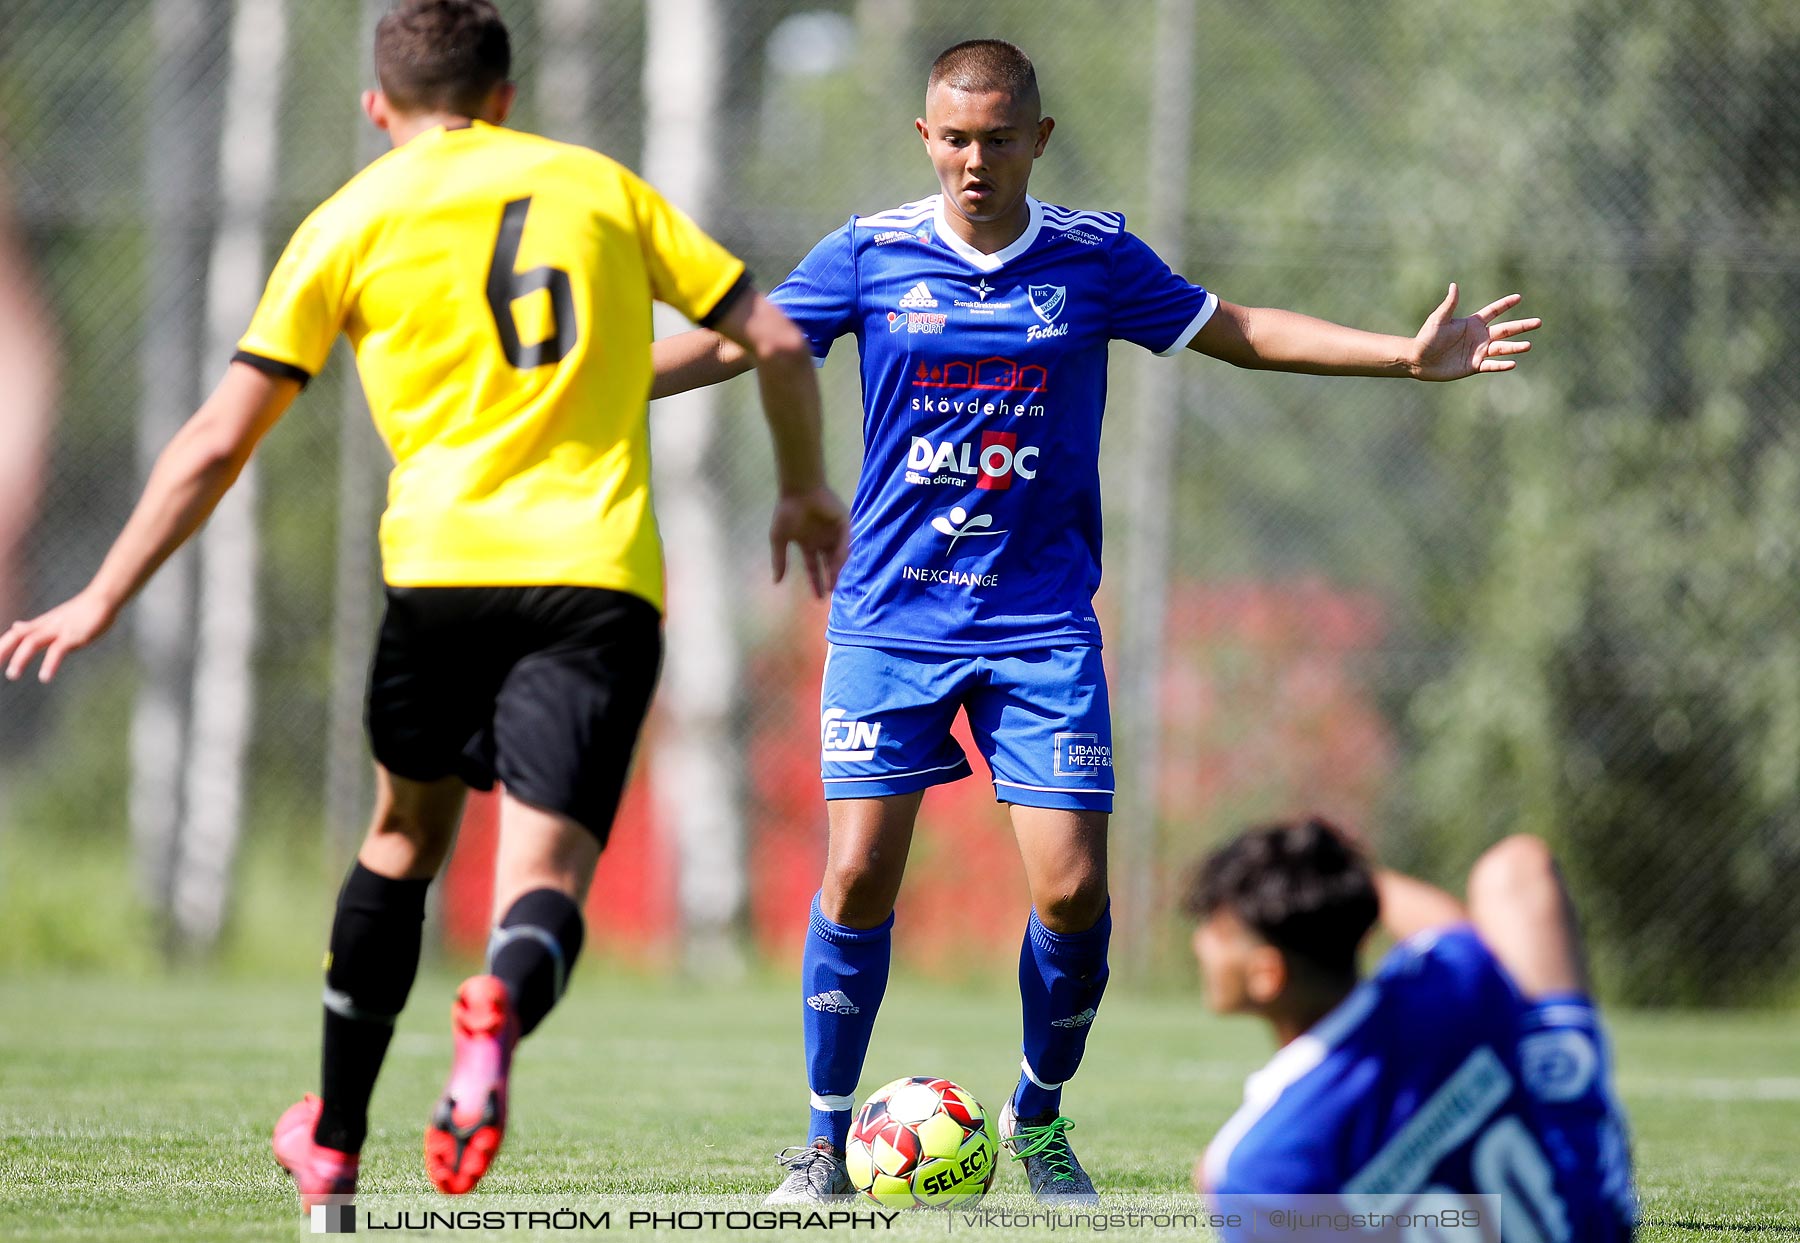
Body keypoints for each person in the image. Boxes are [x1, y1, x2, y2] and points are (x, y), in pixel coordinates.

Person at [650, 37, 1540, 1203]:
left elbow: (1237, 327)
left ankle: (1038, 1114)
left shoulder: (1093, 257)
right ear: (926, 139)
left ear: (1039, 140)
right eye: (954, 139)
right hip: (890, 620)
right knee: (859, 873)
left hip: (1039, 627)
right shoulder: (866, 253)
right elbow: (739, 342)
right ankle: (822, 1143)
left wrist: (1403, 357)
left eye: (998, 138)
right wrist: (586, 379)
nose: (975, 160)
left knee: (1070, 891)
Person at [0, 0, 848, 1211]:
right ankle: (497, 1005)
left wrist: (101, 592)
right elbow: (770, 337)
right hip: (597, 577)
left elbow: (214, 443)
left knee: (401, 841)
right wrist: (806, 488)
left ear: (376, 106)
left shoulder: (349, 218)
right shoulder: (599, 187)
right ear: (504, 95)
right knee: (542, 874)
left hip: (442, 573)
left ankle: (335, 1143)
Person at [1184, 819, 1637, 1241]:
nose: (1199, 944)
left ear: (1268, 976)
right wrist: (1336, 876)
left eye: (1218, 934)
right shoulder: (1453, 978)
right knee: (1513, 878)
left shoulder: (1259, 1162)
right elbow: (1460, 919)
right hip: (1588, 1216)